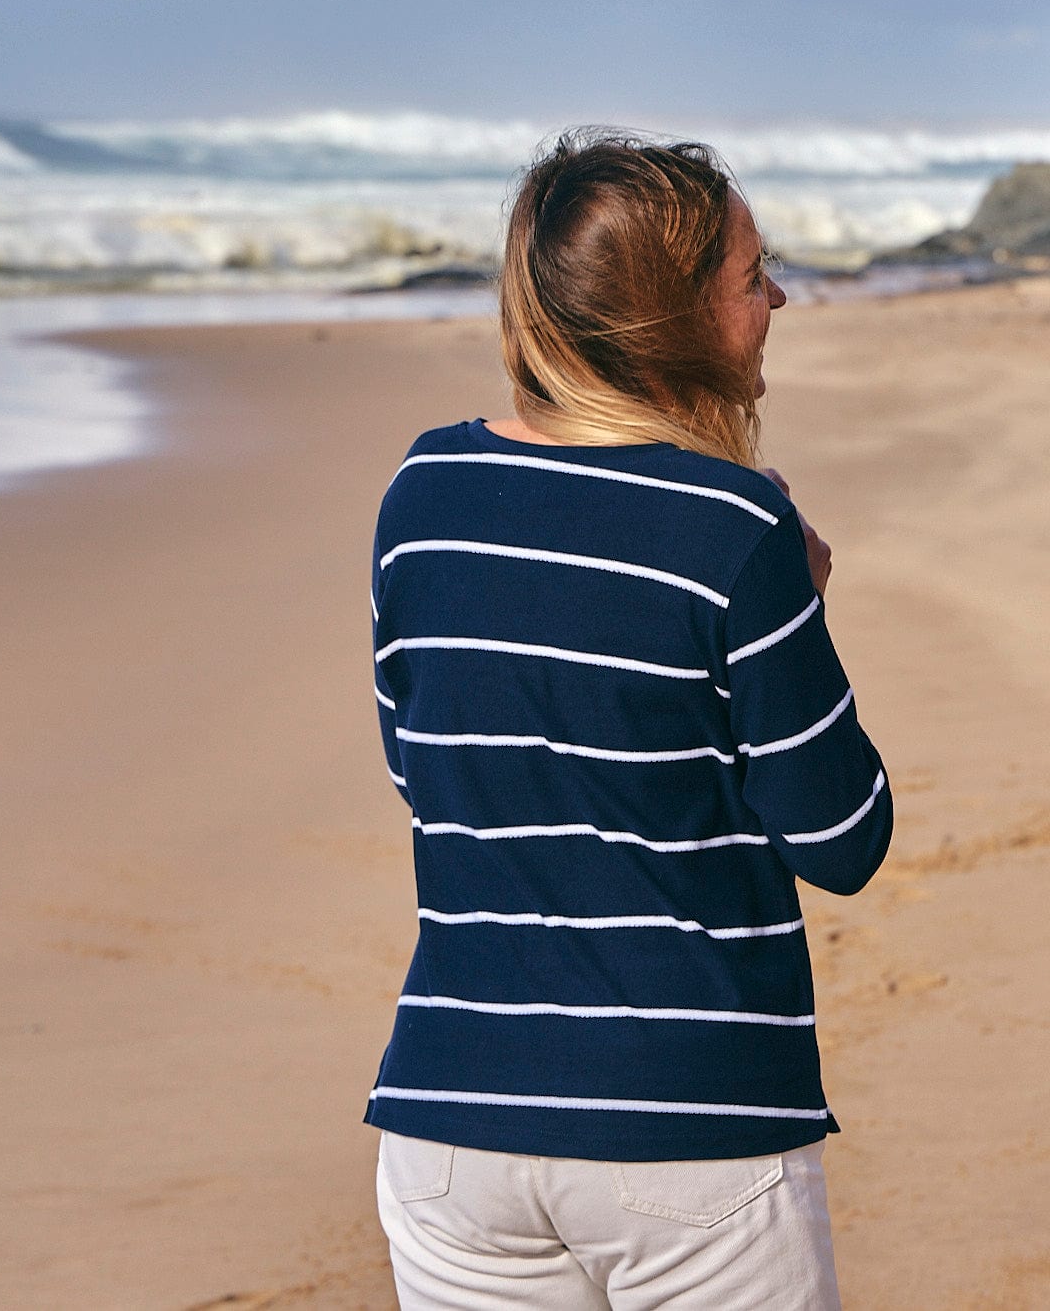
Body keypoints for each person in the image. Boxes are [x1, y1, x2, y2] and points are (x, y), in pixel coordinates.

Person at [365, 131, 892, 1309]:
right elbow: (845, 837)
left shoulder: (421, 496)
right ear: (671, 314)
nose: (778, 297)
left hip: (452, 1122)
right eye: (752, 276)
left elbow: (429, 770)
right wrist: (800, 613)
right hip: (691, 1124)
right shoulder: (736, 530)